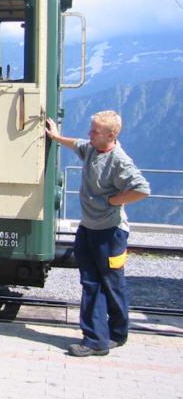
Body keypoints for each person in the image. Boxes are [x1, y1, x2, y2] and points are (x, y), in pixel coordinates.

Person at [46, 110, 150, 357]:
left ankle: (96, 341)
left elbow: (142, 189)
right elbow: (77, 144)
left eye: (94, 131)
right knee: (100, 283)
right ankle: (116, 333)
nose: (89, 134)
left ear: (111, 135)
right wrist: (57, 137)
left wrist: (113, 201)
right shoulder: (93, 149)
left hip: (110, 233)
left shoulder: (119, 161)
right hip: (89, 228)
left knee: (102, 283)